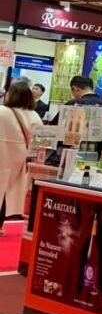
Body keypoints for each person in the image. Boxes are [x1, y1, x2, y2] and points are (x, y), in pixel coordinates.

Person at [0, 82, 42, 234]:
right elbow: (40, 141)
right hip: (20, 161)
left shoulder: (2, 111)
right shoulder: (35, 116)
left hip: (2, 156)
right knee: (8, 192)